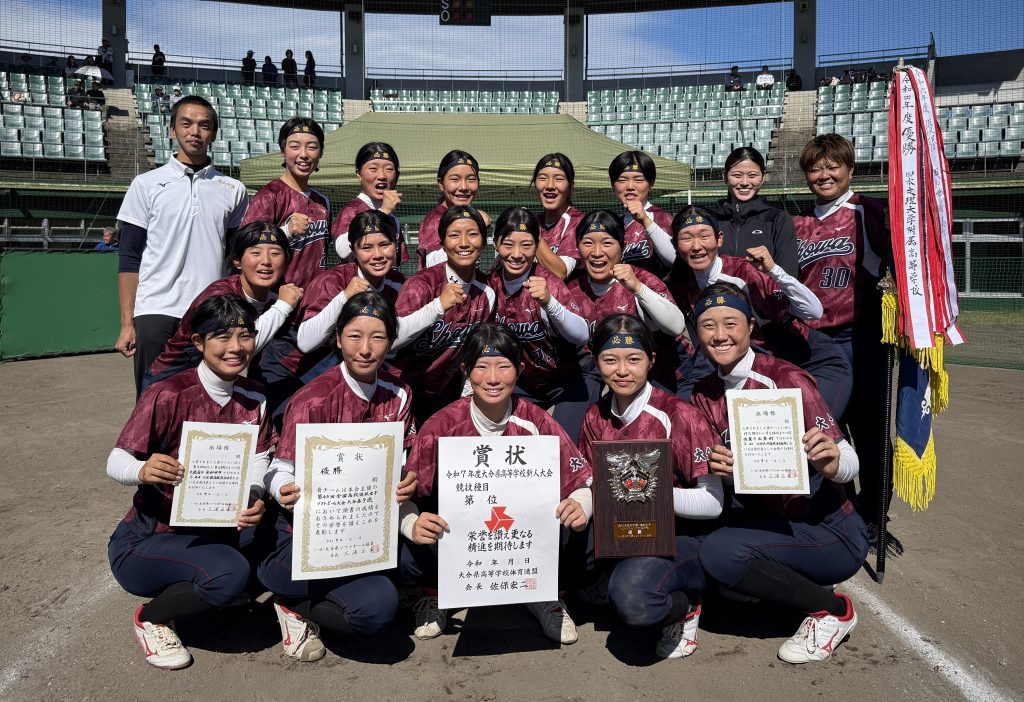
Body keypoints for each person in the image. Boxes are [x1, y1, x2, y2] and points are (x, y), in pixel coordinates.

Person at [689, 282, 867, 664]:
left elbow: (848, 458)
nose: (720, 335)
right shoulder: (703, 392)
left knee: (720, 555)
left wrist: (832, 463)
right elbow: (731, 480)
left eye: (730, 323)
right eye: (708, 325)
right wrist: (721, 472)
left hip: (827, 527)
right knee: (698, 547)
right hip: (770, 520)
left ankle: (832, 610)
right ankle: (784, 581)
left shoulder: (785, 379)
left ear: (751, 326)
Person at [105, 294, 271, 669]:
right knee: (231, 574)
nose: (235, 348)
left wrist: (256, 493)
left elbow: (260, 455)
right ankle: (153, 618)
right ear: (198, 343)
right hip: (148, 539)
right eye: (222, 337)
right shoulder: (168, 392)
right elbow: (116, 460)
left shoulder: (254, 394)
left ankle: (203, 582)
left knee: (269, 552)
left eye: (245, 336)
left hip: (212, 529)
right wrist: (142, 471)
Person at [402, 323, 593, 645]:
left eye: (504, 366)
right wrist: (410, 521)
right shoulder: (442, 425)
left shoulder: (537, 421)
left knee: (581, 532)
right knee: (409, 544)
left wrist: (581, 505)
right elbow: (408, 493)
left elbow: (581, 480)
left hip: (523, 536)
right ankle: (438, 594)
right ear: (465, 370)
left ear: (519, 369)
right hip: (462, 536)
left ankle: (545, 594)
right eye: (481, 367)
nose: (493, 378)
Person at [260, 291, 418, 662]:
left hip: (366, 525)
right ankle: (293, 604)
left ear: (391, 341)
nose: (365, 348)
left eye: (378, 337)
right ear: (337, 338)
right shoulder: (313, 398)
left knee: (416, 559)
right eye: (354, 336)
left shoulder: (399, 394)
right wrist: (282, 488)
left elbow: (406, 459)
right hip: (308, 535)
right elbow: (280, 466)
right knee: (377, 608)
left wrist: (409, 478)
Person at [580, 314, 723, 660]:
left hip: (681, 534)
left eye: (634, 359)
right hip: (627, 529)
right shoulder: (594, 416)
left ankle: (684, 606)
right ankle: (614, 569)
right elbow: (591, 482)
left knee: (632, 600)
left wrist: (653, 498)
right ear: (596, 361)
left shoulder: (678, 415)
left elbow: (714, 502)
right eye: (610, 360)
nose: (622, 371)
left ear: (651, 360)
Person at [115, 95, 248, 398]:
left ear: (213, 133)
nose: (195, 132)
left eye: (204, 125)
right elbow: (129, 257)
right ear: (172, 130)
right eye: (186, 124)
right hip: (155, 310)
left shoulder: (233, 190)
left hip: (209, 311)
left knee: (207, 397)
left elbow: (235, 258)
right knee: (154, 399)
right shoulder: (145, 184)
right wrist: (127, 323)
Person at [792, 134, 891, 530]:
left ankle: (874, 517)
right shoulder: (798, 222)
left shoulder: (869, 211)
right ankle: (842, 507)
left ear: (850, 169)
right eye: (815, 168)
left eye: (833, 166)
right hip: (812, 342)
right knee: (826, 426)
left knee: (870, 430)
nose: (824, 174)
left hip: (860, 337)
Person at [668, 205, 851, 418]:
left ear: (719, 239)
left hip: (809, 358)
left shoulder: (742, 272)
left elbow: (814, 311)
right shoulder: (681, 286)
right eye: (687, 238)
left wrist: (774, 270)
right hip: (762, 368)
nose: (696, 246)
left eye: (703, 236)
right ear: (675, 244)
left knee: (809, 436)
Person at [143, 221, 302, 391]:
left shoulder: (279, 294)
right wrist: (283, 307)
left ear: (286, 261)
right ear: (237, 261)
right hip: (171, 383)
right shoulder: (220, 295)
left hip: (218, 386)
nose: (266, 261)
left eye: (275, 253)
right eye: (255, 252)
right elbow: (237, 347)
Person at [488, 207, 592, 442]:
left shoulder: (548, 283)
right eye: (508, 244)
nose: (516, 254)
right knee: (509, 444)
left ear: (537, 246)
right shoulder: (490, 285)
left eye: (526, 245)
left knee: (561, 446)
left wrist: (549, 302)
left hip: (566, 379)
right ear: (495, 244)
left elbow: (581, 334)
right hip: (522, 382)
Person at [392, 205, 496, 422]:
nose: (464, 243)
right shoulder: (421, 285)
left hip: (446, 392)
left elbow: (476, 352)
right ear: (442, 243)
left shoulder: (487, 290)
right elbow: (391, 341)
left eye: (473, 234)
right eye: (454, 235)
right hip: (399, 390)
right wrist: (437, 306)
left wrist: (466, 398)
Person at [566, 209, 685, 393]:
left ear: (622, 245)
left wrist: (638, 288)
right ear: (577, 247)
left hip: (661, 374)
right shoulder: (572, 290)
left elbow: (676, 326)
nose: (597, 252)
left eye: (607, 243)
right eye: (588, 243)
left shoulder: (640, 279)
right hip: (604, 374)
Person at [296, 210, 406, 378]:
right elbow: (305, 342)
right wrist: (344, 298)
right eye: (366, 247)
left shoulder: (400, 283)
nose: (377, 255)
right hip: (308, 373)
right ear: (353, 250)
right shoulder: (331, 282)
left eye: (384, 245)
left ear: (395, 244)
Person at [241, 117, 330, 290]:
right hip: (277, 299)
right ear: (283, 150)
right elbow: (245, 245)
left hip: (315, 300)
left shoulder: (323, 202)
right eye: (294, 146)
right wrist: (286, 231)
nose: (303, 154)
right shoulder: (269, 196)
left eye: (311, 147)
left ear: (320, 152)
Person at [709, 147, 800, 277]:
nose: (745, 182)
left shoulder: (778, 219)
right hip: (717, 297)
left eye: (752, 175)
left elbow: (789, 277)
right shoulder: (710, 220)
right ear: (724, 177)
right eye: (737, 175)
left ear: (763, 177)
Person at [331, 142, 408, 264]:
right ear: (359, 174)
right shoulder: (352, 209)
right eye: (373, 169)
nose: (382, 175)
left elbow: (395, 263)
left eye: (389, 169)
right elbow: (342, 251)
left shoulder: (393, 219)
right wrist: (383, 212)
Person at [415, 150, 490, 270]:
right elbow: (432, 265)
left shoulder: (470, 215)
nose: (464, 187)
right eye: (455, 179)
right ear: (441, 184)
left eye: (471, 179)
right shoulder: (436, 220)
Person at [608, 151, 676, 277]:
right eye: (622, 180)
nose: (630, 186)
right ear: (613, 185)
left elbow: (675, 260)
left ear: (651, 184)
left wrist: (645, 220)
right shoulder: (614, 223)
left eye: (639, 180)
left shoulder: (660, 217)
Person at [530, 153, 584, 280]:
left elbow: (559, 272)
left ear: (571, 185)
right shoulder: (535, 221)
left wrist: (530, 230)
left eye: (559, 179)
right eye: (543, 178)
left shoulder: (578, 222)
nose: (550, 186)